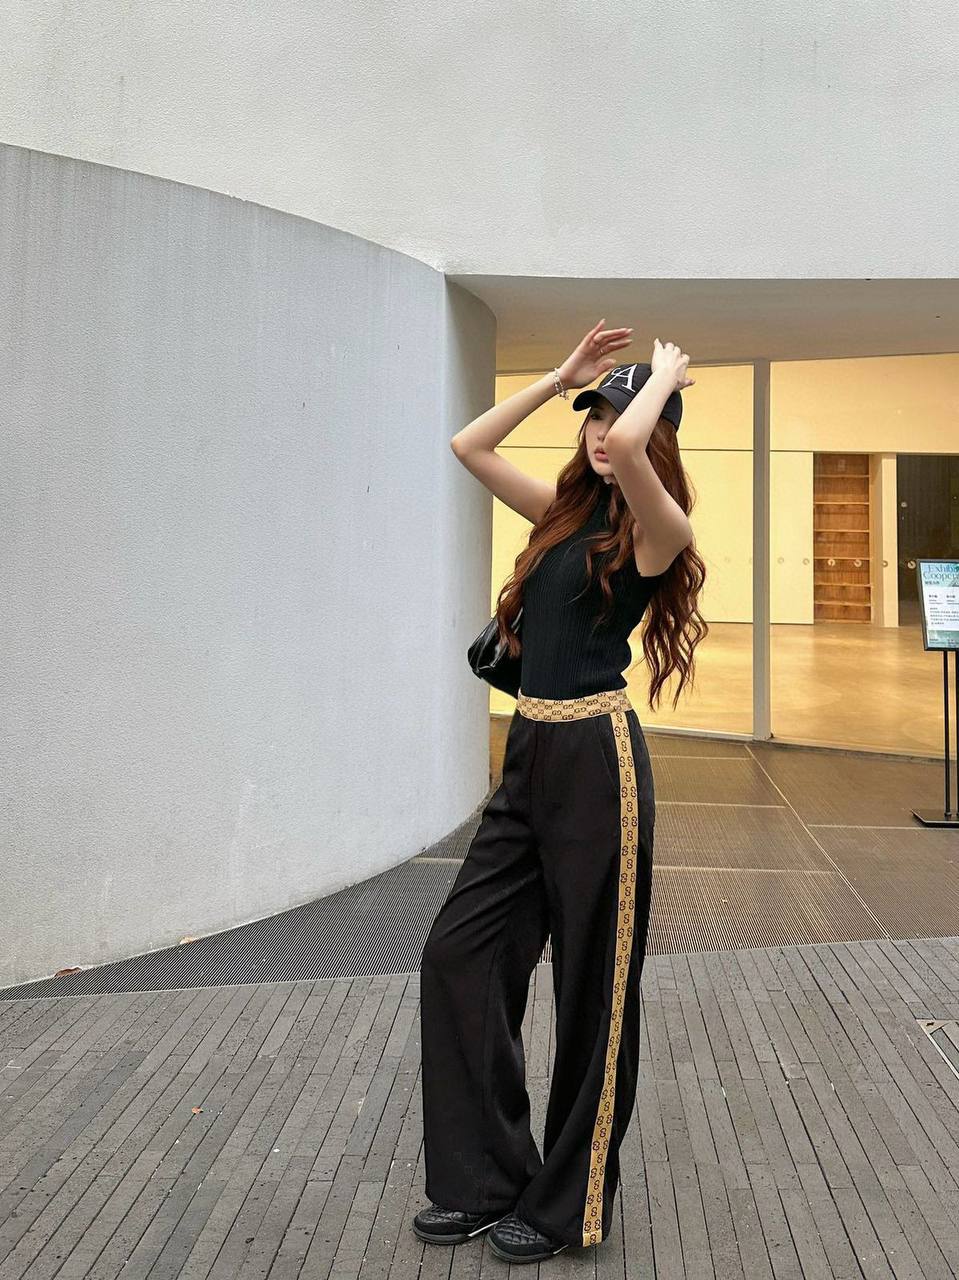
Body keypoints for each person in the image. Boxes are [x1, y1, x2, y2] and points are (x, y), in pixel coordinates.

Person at [412, 321, 708, 1264]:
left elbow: (634, 448)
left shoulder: (658, 531)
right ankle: (483, 1178)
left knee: (594, 988)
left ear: (652, 432)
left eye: (617, 417)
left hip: (597, 762)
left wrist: (660, 378)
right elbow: (468, 445)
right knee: (458, 955)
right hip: (528, 755)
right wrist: (560, 377)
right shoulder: (557, 516)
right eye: (592, 416)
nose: (602, 430)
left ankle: (564, 1205)